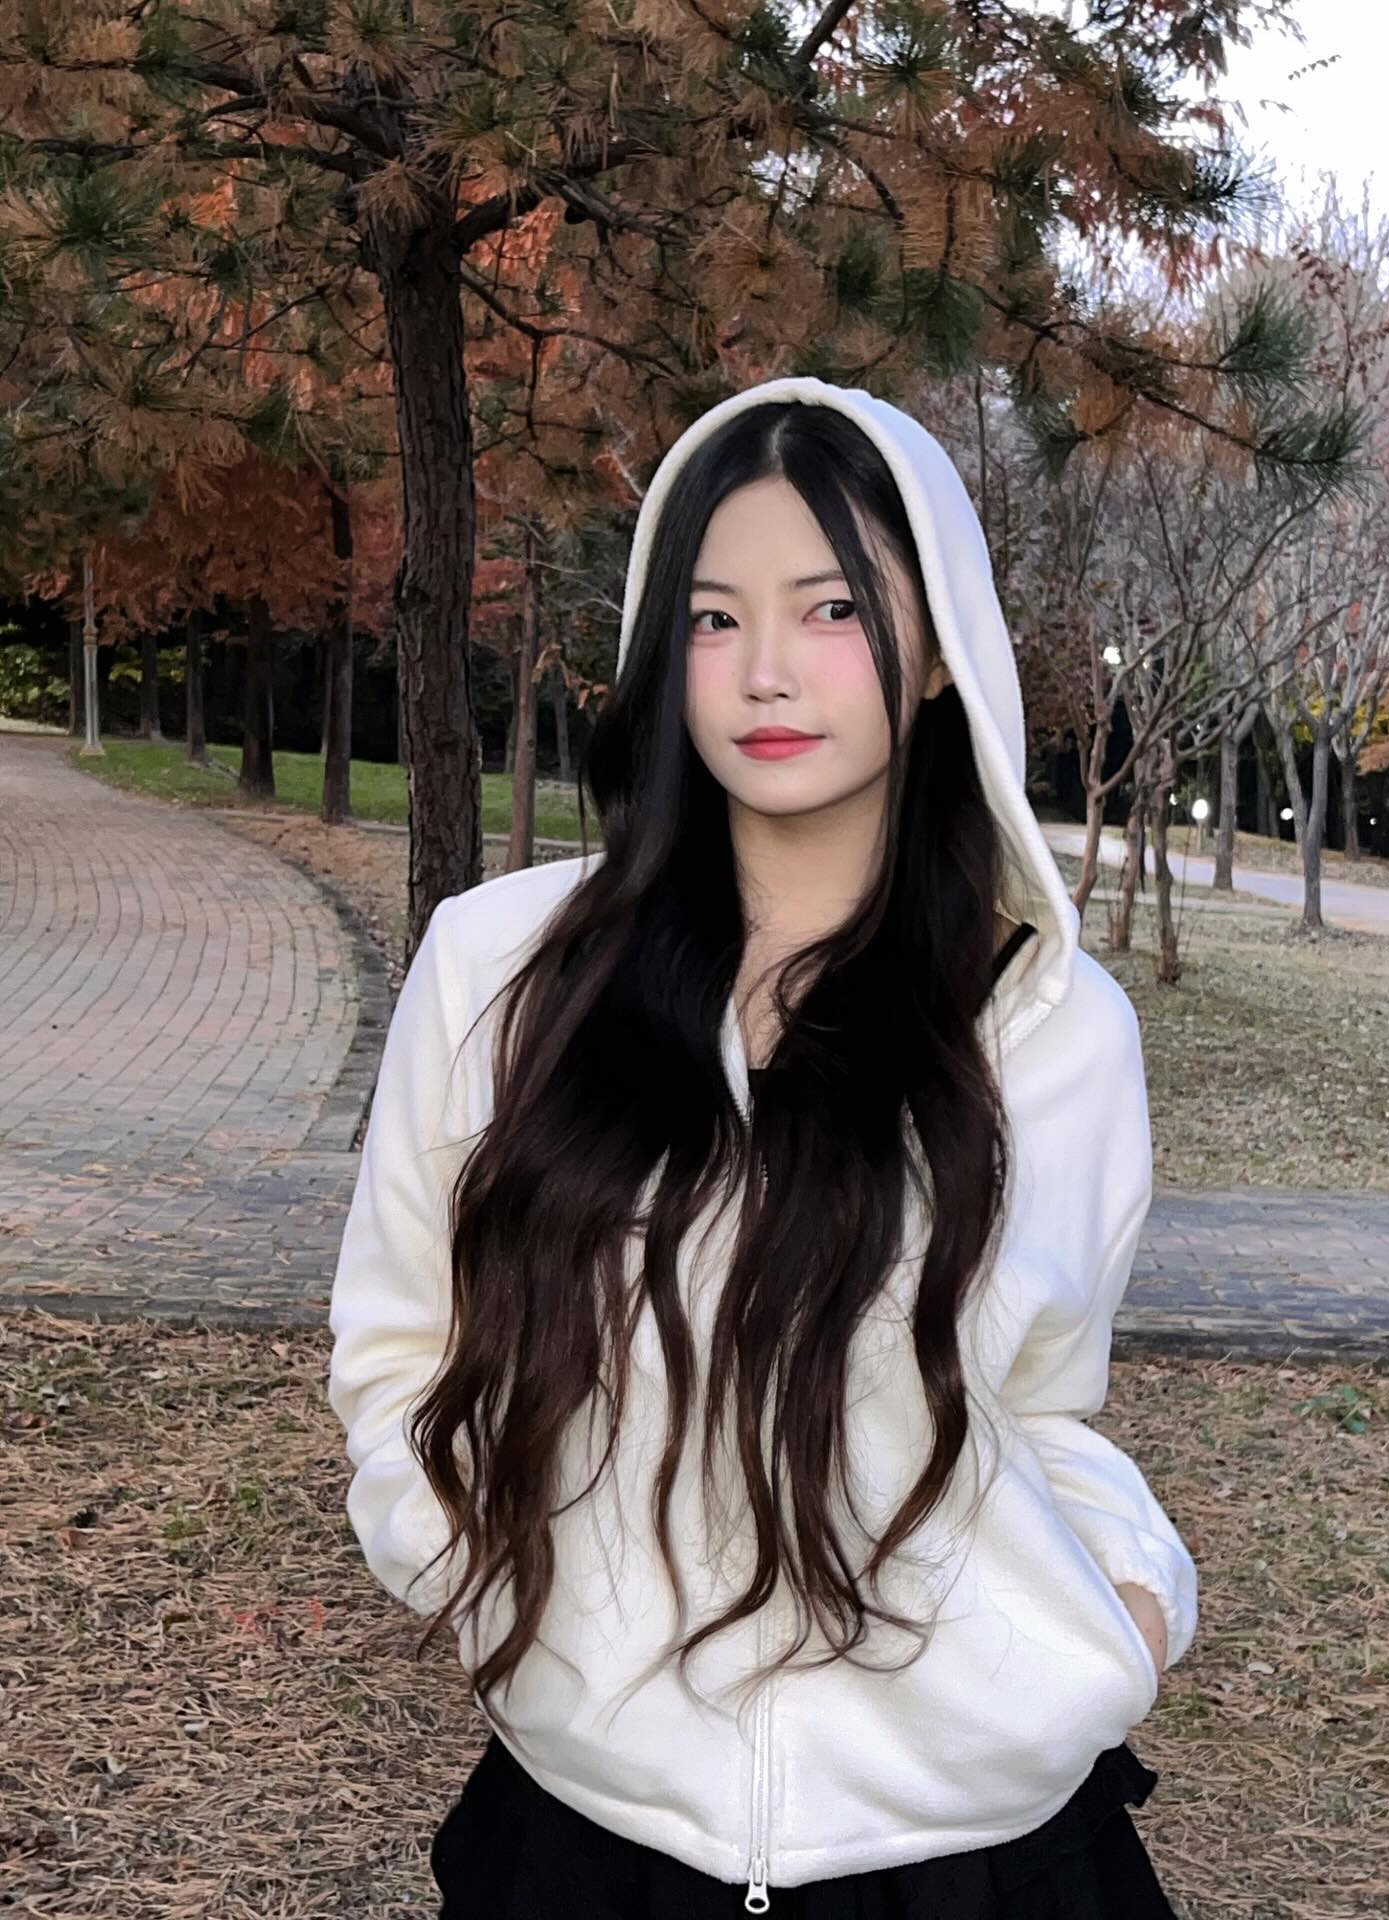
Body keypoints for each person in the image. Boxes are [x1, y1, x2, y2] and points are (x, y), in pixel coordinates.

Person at [325, 374, 1199, 1917]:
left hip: (975, 1856)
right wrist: (493, 1585)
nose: (767, 672)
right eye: (714, 620)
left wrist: (1130, 1602)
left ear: (942, 650)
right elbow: (404, 1346)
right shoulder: (500, 974)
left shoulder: (1058, 1032)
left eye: (832, 609)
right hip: (591, 1845)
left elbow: (1042, 1405)